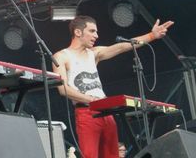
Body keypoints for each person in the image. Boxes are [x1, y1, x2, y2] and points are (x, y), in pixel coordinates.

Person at [52, 15, 174, 158]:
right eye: (92, 31)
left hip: (107, 112)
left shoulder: (94, 53)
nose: (96, 35)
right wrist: (92, 99)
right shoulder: (61, 56)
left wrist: (151, 35)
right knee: (90, 155)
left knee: (112, 155)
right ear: (78, 32)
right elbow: (63, 89)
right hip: (86, 112)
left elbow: (122, 47)